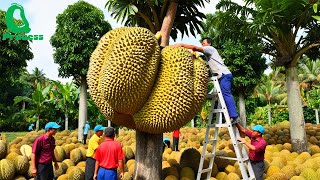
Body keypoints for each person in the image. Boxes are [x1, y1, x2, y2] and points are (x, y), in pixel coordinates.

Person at [173, 38, 240, 124]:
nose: (202, 44)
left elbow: (194, 47)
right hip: (220, 77)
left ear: (209, 44)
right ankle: (230, 116)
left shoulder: (210, 49)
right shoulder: (208, 54)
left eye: (204, 43)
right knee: (221, 95)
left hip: (224, 75)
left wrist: (181, 45)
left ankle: (234, 116)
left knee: (226, 94)